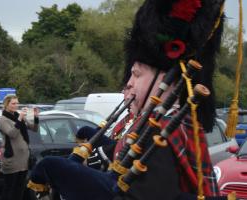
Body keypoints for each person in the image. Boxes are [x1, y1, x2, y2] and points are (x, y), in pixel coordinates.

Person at [28, 0, 229, 199]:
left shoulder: (164, 132)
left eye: (136, 74)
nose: (129, 83)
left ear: (170, 79)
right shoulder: (159, 124)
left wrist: (55, 169)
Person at [0, 95, 39, 200]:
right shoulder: (2, 119)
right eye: (13, 103)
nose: (16, 105)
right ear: (7, 104)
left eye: (17, 103)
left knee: (20, 189)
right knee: (9, 189)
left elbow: (34, 128)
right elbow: (12, 134)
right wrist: (20, 119)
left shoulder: (18, 116)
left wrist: (35, 117)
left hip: (23, 159)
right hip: (12, 159)